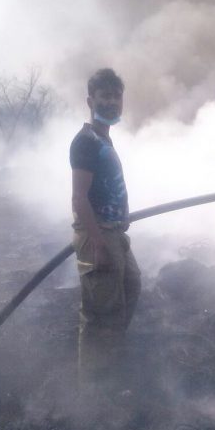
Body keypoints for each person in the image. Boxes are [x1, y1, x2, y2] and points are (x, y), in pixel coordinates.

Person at [70, 68, 141, 382]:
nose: (112, 102)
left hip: (114, 231)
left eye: (116, 96)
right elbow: (79, 197)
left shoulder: (103, 139)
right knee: (100, 311)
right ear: (90, 100)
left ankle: (111, 359)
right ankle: (94, 383)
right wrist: (97, 243)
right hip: (97, 233)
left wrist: (122, 215)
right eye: (105, 96)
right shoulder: (85, 142)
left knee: (131, 286)